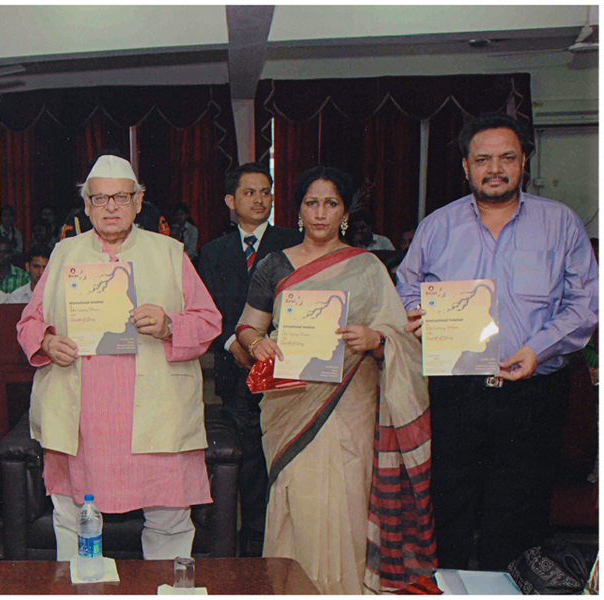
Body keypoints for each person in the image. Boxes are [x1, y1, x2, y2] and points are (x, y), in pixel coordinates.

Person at [397, 113, 598, 571]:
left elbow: (586, 304)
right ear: (465, 166)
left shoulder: (560, 223)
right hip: (455, 391)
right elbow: (406, 286)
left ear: (524, 161)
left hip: (532, 394)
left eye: (507, 157)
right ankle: (446, 591)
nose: (495, 169)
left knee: (519, 519)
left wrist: (538, 349)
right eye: (482, 159)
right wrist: (418, 315)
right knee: (447, 510)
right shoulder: (438, 226)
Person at [235, 166, 435, 593]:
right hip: (290, 405)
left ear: (344, 212)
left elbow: (400, 336)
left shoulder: (368, 267)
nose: (320, 213)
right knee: (299, 498)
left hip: (351, 404)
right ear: (298, 210)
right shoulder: (274, 264)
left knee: (345, 499)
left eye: (331, 203)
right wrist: (256, 343)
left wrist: (375, 339)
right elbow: (246, 326)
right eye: (312, 203)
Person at [16, 155, 221, 561]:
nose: (111, 207)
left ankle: (167, 587)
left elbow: (209, 321)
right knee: (72, 517)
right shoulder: (63, 254)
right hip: (82, 417)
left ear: (138, 201)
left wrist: (169, 325)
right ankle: (79, 587)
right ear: (86, 205)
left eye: (121, 197)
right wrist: (47, 342)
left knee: (169, 517)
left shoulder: (169, 252)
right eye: (100, 198)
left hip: (157, 413)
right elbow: (28, 323)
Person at [197, 162, 301, 557]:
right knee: (249, 463)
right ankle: (252, 545)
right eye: (250, 193)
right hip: (235, 371)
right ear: (231, 200)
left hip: (286, 370)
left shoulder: (293, 243)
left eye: (266, 192)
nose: (260, 200)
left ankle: (280, 542)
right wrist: (233, 343)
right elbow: (209, 309)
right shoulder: (213, 252)